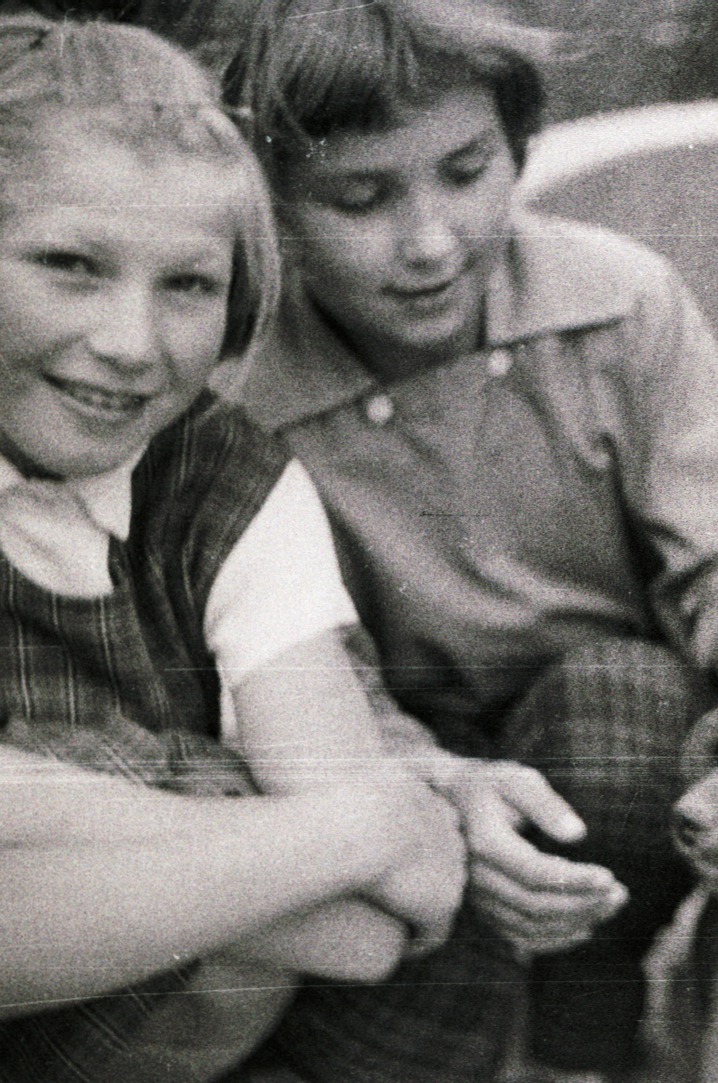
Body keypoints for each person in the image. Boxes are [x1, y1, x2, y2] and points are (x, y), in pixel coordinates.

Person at [217, 2, 718, 1080]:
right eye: (359, 197)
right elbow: (294, 684)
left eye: (466, 171)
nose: (430, 241)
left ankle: (578, 1049)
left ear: (519, 148)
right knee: (400, 1026)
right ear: (271, 203)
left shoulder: (620, 301)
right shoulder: (237, 395)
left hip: (604, 773)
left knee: (620, 705)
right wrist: (435, 785)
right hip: (373, 767)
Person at [0, 16, 469, 1083]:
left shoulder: (222, 479)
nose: (132, 343)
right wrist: (365, 824)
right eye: (71, 265)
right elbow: (362, 854)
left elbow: (367, 926)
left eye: (189, 286)